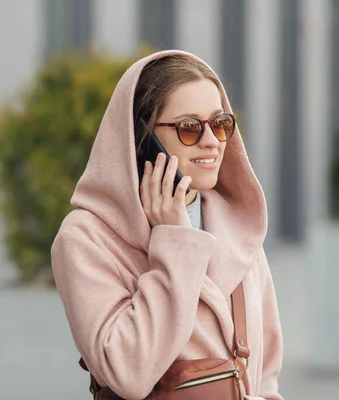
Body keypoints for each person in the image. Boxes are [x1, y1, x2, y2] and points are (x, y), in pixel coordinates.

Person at [51, 49, 284, 399]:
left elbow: (265, 377)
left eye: (221, 123)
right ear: (143, 139)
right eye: (189, 127)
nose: (212, 140)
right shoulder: (86, 239)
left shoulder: (240, 227)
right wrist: (174, 242)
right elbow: (128, 373)